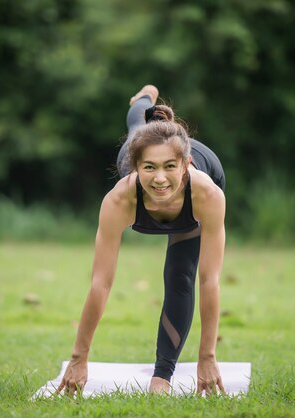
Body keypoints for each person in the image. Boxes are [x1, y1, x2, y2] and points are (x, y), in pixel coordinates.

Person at [55, 85, 227, 396]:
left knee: (180, 275)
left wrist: (207, 357)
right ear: (137, 168)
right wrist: (79, 358)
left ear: (186, 165)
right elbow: (100, 283)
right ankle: (144, 100)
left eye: (170, 167)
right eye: (149, 168)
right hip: (141, 152)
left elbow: (209, 280)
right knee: (139, 125)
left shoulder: (207, 194)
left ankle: (162, 377)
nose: (160, 178)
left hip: (195, 194)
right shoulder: (120, 200)